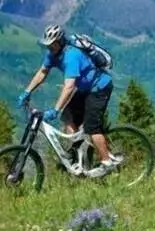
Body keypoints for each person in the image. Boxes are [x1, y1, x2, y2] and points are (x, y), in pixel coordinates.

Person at [16, 24, 121, 177]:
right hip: (86, 89)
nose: (50, 48)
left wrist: (55, 110)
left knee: (92, 127)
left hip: (100, 88)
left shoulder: (71, 56)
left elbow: (69, 87)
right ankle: (78, 154)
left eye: (52, 45)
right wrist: (27, 92)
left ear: (60, 42)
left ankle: (107, 162)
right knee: (68, 117)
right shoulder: (53, 54)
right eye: (48, 45)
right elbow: (42, 72)